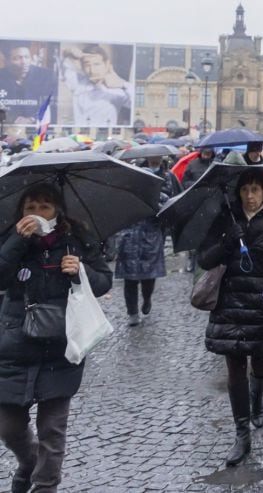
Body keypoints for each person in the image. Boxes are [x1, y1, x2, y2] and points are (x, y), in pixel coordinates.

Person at [0, 184, 112, 493]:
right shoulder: (10, 238)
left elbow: (103, 282)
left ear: (58, 211)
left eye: (45, 207)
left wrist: (81, 272)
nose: (37, 213)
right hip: (14, 346)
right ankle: (28, 461)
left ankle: (46, 485)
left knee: (52, 428)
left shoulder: (77, 239)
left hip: (61, 347)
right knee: (9, 427)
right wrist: (16, 242)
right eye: (30, 206)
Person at [197, 168, 263, 467]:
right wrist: (227, 241)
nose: (250, 196)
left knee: (262, 363)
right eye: (245, 190)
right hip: (231, 307)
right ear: (238, 193)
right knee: (235, 369)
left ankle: (257, 398)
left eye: (256, 190)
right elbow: (204, 260)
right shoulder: (225, 220)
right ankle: (242, 433)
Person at [112, 160, 172, 327]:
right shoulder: (125, 198)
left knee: (148, 278)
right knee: (129, 281)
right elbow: (115, 217)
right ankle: (132, 313)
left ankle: (147, 299)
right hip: (129, 242)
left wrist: (156, 209)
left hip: (150, 243)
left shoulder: (161, 197)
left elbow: (167, 219)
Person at [60, 45, 132, 127]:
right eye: (87, 65)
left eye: (97, 64)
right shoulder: (78, 83)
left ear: (107, 64)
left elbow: (137, 106)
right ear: (82, 67)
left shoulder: (118, 91)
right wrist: (69, 51)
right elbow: (62, 67)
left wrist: (122, 84)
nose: (92, 70)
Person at [0, 42, 55, 124]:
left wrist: (32, 119)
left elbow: (52, 104)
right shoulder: (2, 76)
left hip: (38, 126)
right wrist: (11, 118)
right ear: (8, 61)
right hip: (7, 127)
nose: (24, 62)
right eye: (17, 58)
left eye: (27, 57)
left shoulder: (46, 76)